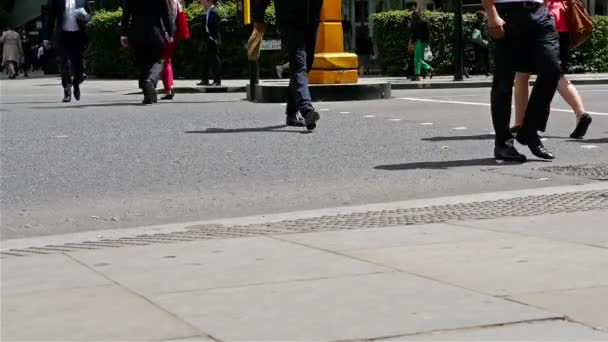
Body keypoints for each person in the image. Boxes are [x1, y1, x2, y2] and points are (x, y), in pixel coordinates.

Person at [483, 0, 561, 162]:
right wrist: (491, 12)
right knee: (503, 80)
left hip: (539, 13)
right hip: (506, 14)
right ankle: (503, 145)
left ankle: (528, 131)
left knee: (552, 68)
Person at [511, 0, 592, 139]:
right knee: (557, 74)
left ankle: (519, 122)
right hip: (561, 21)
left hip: (537, 21)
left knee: (522, 73)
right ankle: (581, 114)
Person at [252, 0, 322, 130]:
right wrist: (258, 18)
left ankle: (291, 113)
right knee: (299, 64)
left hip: (312, 20)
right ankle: (307, 110)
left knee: (306, 64)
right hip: (290, 21)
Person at [121, 0, 173, 105]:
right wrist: (170, 33)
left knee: (143, 64)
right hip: (155, 32)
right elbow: (165, 16)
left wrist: (124, 34)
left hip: (136, 33)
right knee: (158, 60)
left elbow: (125, 15)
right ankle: (151, 80)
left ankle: (147, 95)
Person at [44, 0, 93, 102]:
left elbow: (90, 16)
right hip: (63, 35)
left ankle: (76, 83)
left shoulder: (83, 0)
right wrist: (47, 38)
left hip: (79, 35)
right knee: (64, 63)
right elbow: (51, 18)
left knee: (79, 65)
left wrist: (85, 17)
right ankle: (67, 91)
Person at [160, 0, 183, 100]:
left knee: (163, 62)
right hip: (173, 34)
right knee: (168, 61)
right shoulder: (176, 2)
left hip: (162, 34)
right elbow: (180, 17)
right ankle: (171, 86)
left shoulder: (162, 2)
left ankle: (168, 89)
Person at [197, 0, 222, 87]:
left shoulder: (214, 12)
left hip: (213, 40)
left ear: (209, 1)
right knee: (205, 60)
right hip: (208, 39)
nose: (201, 1)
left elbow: (217, 26)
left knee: (215, 60)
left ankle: (217, 81)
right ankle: (205, 80)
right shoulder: (207, 12)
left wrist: (215, 39)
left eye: (203, 0)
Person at [409, 9, 433, 81]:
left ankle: (417, 75)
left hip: (421, 41)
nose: (415, 15)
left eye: (416, 13)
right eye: (414, 14)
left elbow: (427, 32)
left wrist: (413, 41)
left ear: (419, 14)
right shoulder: (421, 22)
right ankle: (429, 69)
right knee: (418, 59)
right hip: (421, 41)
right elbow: (428, 32)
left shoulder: (422, 22)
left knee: (417, 59)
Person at [471, 11, 491, 76]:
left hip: (477, 43)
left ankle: (475, 70)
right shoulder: (483, 24)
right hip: (483, 43)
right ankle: (487, 71)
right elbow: (484, 34)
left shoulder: (475, 23)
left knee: (477, 57)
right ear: (483, 17)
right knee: (486, 57)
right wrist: (489, 39)